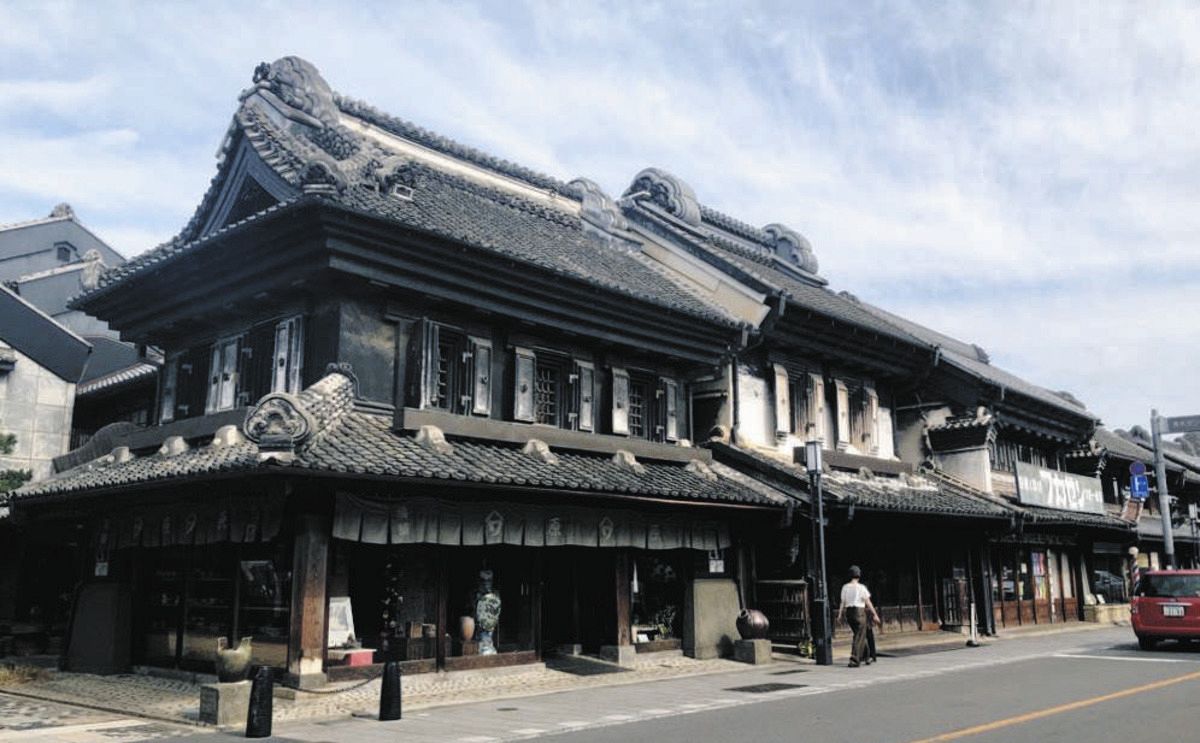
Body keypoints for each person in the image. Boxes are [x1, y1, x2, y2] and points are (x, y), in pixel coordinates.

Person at [835, 565, 881, 668]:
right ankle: (854, 659)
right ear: (859, 576)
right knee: (859, 636)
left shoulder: (845, 587)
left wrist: (839, 614)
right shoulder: (861, 588)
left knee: (859, 634)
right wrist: (875, 614)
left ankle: (867, 656)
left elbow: (842, 602)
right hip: (859, 612)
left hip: (849, 613)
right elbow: (868, 602)